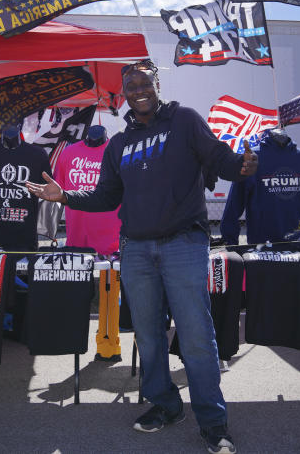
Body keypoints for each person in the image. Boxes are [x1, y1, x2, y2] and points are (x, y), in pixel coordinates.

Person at [27, 59, 256, 454]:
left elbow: (219, 157)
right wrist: (64, 195)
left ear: (156, 85)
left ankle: (213, 422)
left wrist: (242, 166)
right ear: (124, 95)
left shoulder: (184, 120)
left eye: (144, 83)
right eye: (130, 85)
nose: (138, 90)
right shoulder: (119, 144)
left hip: (184, 244)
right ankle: (166, 406)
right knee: (148, 336)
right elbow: (105, 197)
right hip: (134, 248)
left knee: (196, 336)